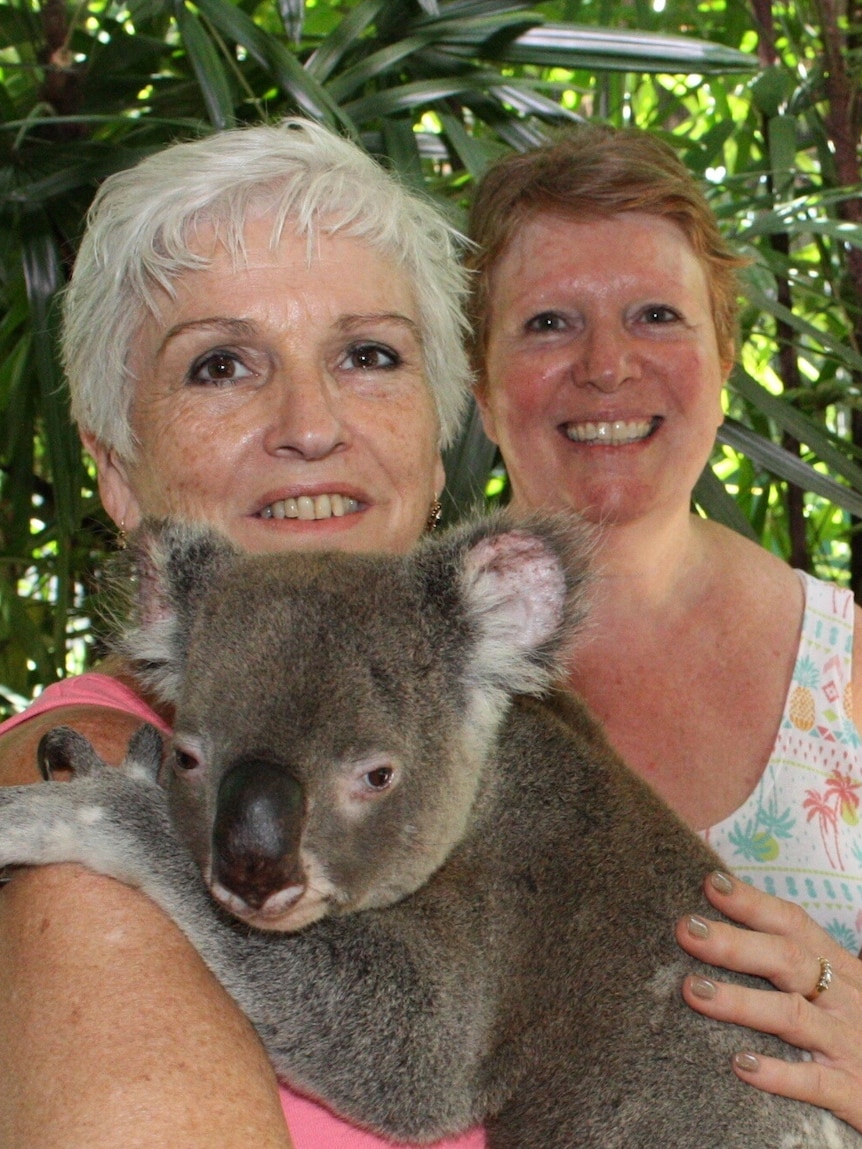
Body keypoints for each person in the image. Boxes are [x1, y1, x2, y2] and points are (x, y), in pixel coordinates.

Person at [0, 118, 486, 1149]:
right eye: (220, 365)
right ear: (117, 468)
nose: (310, 424)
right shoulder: (80, 807)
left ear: (440, 446)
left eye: (368, 355)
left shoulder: (486, 749)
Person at [466, 122, 862, 1134]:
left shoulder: (847, 667)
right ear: (475, 380)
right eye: (549, 323)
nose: (606, 366)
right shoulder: (399, 669)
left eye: (655, 315)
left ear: (722, 357)